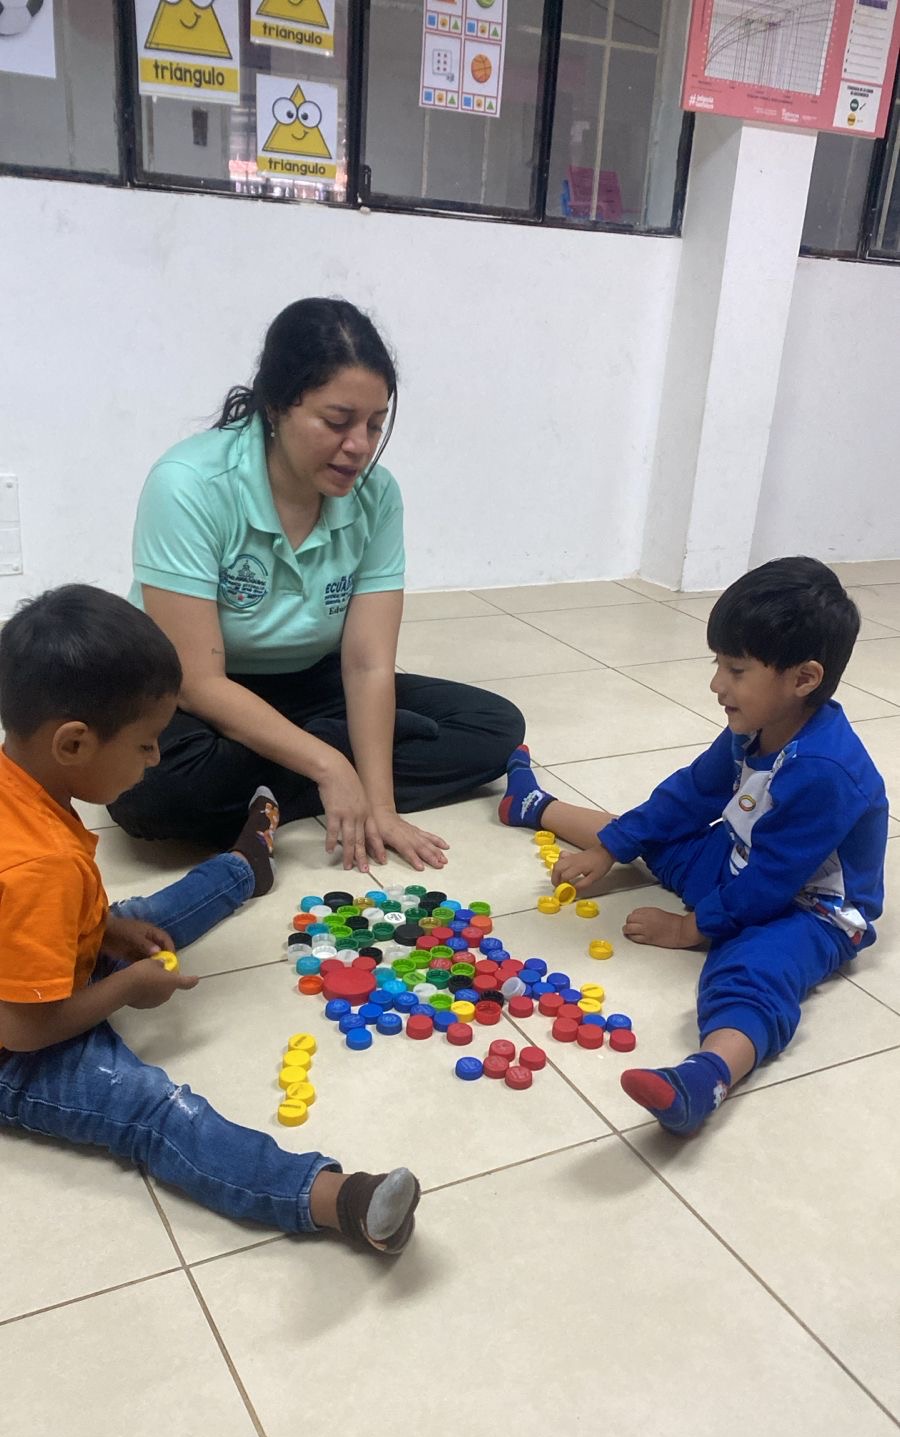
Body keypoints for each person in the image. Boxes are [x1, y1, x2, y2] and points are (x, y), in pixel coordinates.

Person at [0, 585, 420, 1253]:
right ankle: (335, 1200)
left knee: (139, 919)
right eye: (146, 745)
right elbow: (23, 1029)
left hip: (38, 957)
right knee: (150, 1108)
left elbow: (34, 909)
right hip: (15, 1046)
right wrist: (125, 988)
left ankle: (243, 866)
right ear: (74, 743)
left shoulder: (21, 788)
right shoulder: (39, 866)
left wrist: (106, 931)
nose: (156, 759)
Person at [108, 297, 525, 872]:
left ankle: (277, 783)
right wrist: (329, 764)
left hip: (309, 681)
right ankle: (321, 759)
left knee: (494, 727)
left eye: (375, 424)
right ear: (276, 405)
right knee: (157, 793)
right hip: (196, 691)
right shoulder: (189, 483)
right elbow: (198, 681)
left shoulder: (378, 495)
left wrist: (380, 805)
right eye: (337, 421)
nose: (360, 445)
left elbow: (368, 665)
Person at [498, 557, 888, 1134]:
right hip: (741, 860)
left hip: (812, 908)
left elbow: (772, 884)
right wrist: (610, 849)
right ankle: (532, 805)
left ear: (804, 679)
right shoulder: (754, 725)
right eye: (717, 664)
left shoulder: (825, 772)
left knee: (753, 967)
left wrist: (690, 929)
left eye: (736, 669)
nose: (716, 685)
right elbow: (689, 795)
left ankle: (706, 1078)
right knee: (655, 832)